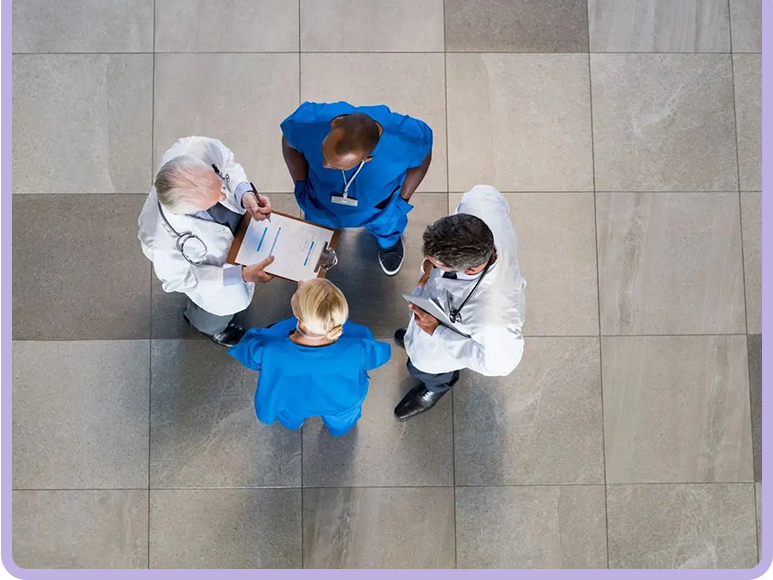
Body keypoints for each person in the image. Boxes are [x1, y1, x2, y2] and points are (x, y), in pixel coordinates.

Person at [393, 185, 527, 420]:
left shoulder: (494, 319)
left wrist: (438, 332)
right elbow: (492, 195)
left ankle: (436, 386)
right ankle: (416, 337)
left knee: (425, 366)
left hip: (444, 342)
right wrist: (428, 273)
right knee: (416, 338)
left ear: (472, 268)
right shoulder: (480, 203)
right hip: (436, 305)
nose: (430, 264)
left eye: (438, 264)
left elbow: (499, 365)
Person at [138, 136, 274, 347]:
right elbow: (181, 279)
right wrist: (239, 275)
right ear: (189, 211)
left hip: (238, 235)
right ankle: (211, 328)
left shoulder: (192, 148)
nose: (223, 196)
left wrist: (243, 194)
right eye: (214, 200)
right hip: (217, 281)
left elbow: (226, 163)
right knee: (215, 314)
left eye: (219, 186)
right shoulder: (159, 239)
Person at [280, 101, 433, 276]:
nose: (324, 164)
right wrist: (300, 182)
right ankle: (322, 240)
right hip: (320, 201)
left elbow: (424, 157)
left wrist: (403, 199)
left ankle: (388, 243)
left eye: (338, 166)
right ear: (335, 122)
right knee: (319, 228)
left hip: (379, 208)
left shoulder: (407, 138)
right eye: (324, 151)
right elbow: (288, 142)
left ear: (367, 158)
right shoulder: (306, 123)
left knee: (388, 227)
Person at [229, 278, 392, 437]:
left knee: (289, 415)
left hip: (291, 399)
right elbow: (382, 355)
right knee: (342, 420)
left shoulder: (269, 348)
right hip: (341, 400)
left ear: (301, 322)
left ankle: (294, 424)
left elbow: (245, 352)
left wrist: (303, 291)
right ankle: (338, 430)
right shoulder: (358, 345)